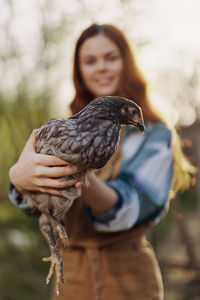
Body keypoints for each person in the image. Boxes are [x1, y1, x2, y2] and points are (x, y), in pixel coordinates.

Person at [9, 24, 195, 300]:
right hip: (73, 279)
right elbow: (37, 208)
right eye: (90, 61)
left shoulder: (156, 136)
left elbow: (140, 206)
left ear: (127, 62)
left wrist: (80, 175)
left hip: (129, 280)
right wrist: (19, 179)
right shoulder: (63, 127)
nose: (101, 68)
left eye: (111, 57)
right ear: (79, 71)